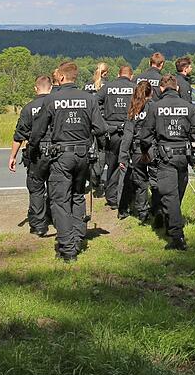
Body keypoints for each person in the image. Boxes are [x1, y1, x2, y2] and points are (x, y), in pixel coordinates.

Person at [30, 62, 108, 262]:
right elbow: (100, 128)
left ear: (62, 78)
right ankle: (78, 235)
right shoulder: (88, 98)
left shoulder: (52, 99)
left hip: (61, 156)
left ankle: (68, 248)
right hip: (83, 156)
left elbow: (38, 131)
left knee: (60, 201)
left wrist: (33, 150)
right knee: (78, 195)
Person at [140, 75, 195, 251]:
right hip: (183, 157)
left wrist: (148, 153)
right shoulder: (189, 107)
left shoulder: (155, 107)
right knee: (175, 195)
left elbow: (145, 136)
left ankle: (177, 238)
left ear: (161, 89)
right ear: (177, 88)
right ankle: (171, 224)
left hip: (165, 158)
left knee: (170, 197)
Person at [8, 75, 53, 237]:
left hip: (36, 153)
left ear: (36, 89)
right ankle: (57, 218)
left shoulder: (28, 108)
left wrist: (12, 156)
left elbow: (19, 135)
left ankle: (39, 225)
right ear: (51, 87)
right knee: (56, 187)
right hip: (57, 152)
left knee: (36, 188)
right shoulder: (57, 104)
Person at [97, 66, 136, 212]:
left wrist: (103, 119)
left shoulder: (108, 87)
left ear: (118, 74)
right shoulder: (134, 87)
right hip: (128, 130)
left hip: (111, 131)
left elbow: (95, 102)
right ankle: (127, 197)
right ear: (131, 76)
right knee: (128, 164)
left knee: (112, 165)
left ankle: (112, 198)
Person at [118, 81, 154, 223]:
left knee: (140, 181)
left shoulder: (133, 109)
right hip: (152, 148)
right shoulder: (154, 107)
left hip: (137, 150)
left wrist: (123, 157)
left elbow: (127, 135)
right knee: (155, 180)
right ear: (151, 92)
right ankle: (157, 209)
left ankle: (142, 211)